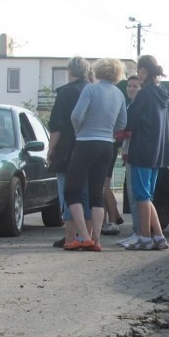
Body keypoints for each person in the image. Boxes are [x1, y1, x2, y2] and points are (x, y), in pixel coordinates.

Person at [64, 58, 127, 251]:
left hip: (85, 142)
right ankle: (97, 240)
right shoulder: (119, 94)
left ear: (98, 71)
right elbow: (122, 123)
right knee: (96, 193)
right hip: (107, 145)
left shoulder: (90, 89)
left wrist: (79, 130)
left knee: (72, 190)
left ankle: (83, 236)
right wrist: (109, 131)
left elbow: (76, 115)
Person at [119, 55, 169, 250]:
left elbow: (128, 120)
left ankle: (144, 237)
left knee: (141, 195)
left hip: (141, 149)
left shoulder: (145, 94)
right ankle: (158, 237)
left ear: (144, 70)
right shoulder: (162, 92)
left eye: (138, 69)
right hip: (158, 152)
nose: (137, 74)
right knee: (147, 195)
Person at [46, 57, 91, 248]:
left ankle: (70, 235)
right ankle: (87, 235)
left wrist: (50, 149)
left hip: (67, 148)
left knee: (67, 192)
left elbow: (57, 126)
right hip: (91, 147)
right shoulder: (92, 90)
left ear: (69, 71)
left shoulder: (65, 93)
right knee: (87, 193)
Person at [115, 74, 142, 247]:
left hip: (135, 153)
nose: (131, 89)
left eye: (135, 86)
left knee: (136, 196)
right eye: (129, 86)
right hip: (130, 152)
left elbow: (131, 129)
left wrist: (119, 133)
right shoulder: (132, 105)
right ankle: (138, 232)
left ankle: (139, 232)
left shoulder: (136, 107)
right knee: (135, 196)